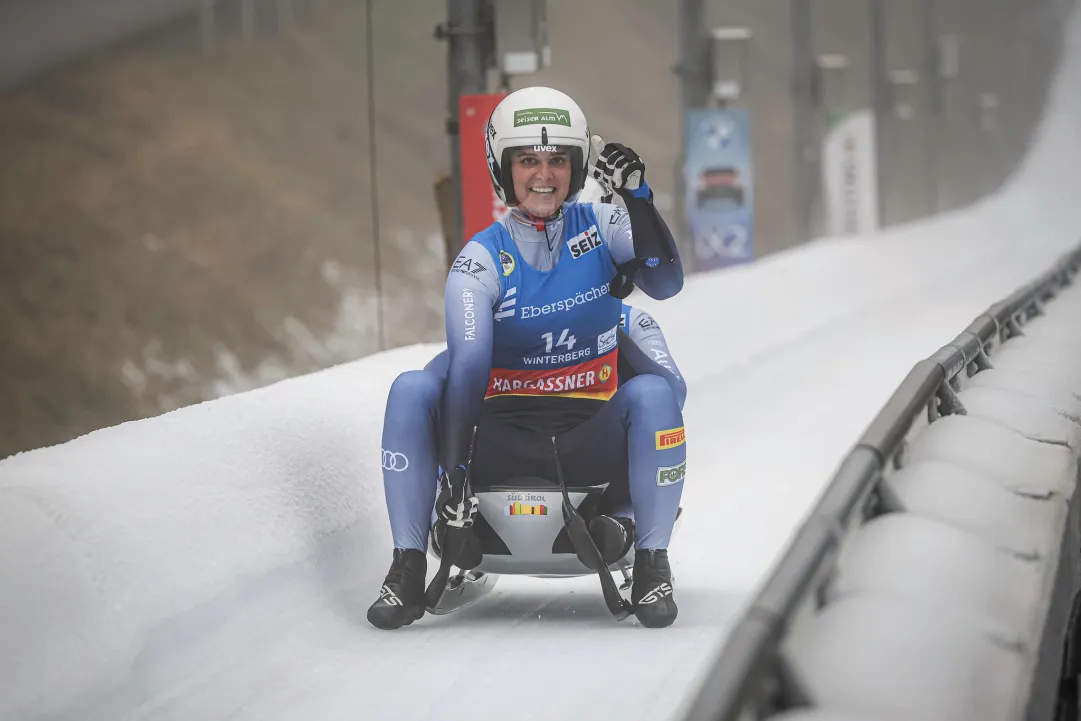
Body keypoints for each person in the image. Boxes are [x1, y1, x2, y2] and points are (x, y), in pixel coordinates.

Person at [368, 86, 687, 630]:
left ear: (578, 165)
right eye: (528, 161)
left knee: (657, 392)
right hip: (501, 438)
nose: (544, 175)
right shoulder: (480, 259)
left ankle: (653, 560)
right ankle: (406, 564)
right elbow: (467, 364)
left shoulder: (605, 225)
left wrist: (637, 197)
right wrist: (457, 477)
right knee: (410, 387)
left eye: (558, 160)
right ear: (504, 169)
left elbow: (665, 280)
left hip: (589, 435)